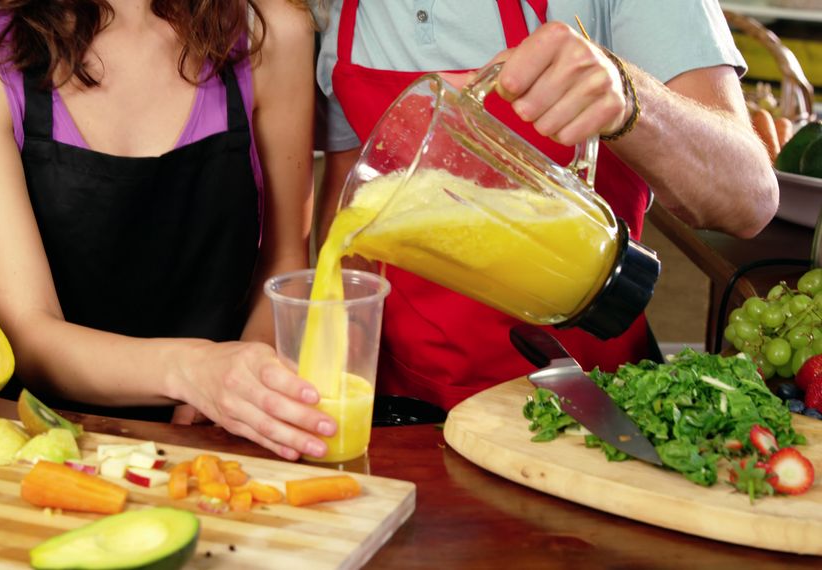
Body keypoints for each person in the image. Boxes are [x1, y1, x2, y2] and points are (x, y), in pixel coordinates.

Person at [0, 0, 336, 461]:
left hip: (229, 437)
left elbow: (283, 267)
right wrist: (195, 372)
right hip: (57, 448)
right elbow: (29, 331)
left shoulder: (271, 30)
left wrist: (246, 384)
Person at [313, 0, 779, 411]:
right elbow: (352, 195)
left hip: (585, 408)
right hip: (402, 407)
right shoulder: (338, 11)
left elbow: (749, 200)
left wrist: (626, 96)